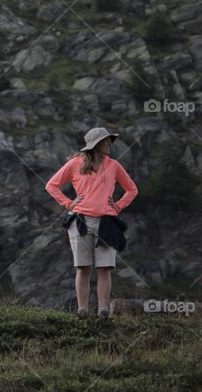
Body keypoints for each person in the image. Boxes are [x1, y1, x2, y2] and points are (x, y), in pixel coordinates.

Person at [45, 127, 138, 319]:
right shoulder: (75, 164)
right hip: (80, 222)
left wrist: (118, 206)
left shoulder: (114, 165)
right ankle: (83, 311)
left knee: (104, 269)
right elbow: (51, 185)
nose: (109, 144)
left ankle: (103, 311)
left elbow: (132, 189)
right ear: (96, 145)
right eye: (106, 141)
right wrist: (68, 203)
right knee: (83, 268)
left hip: (106, 222)